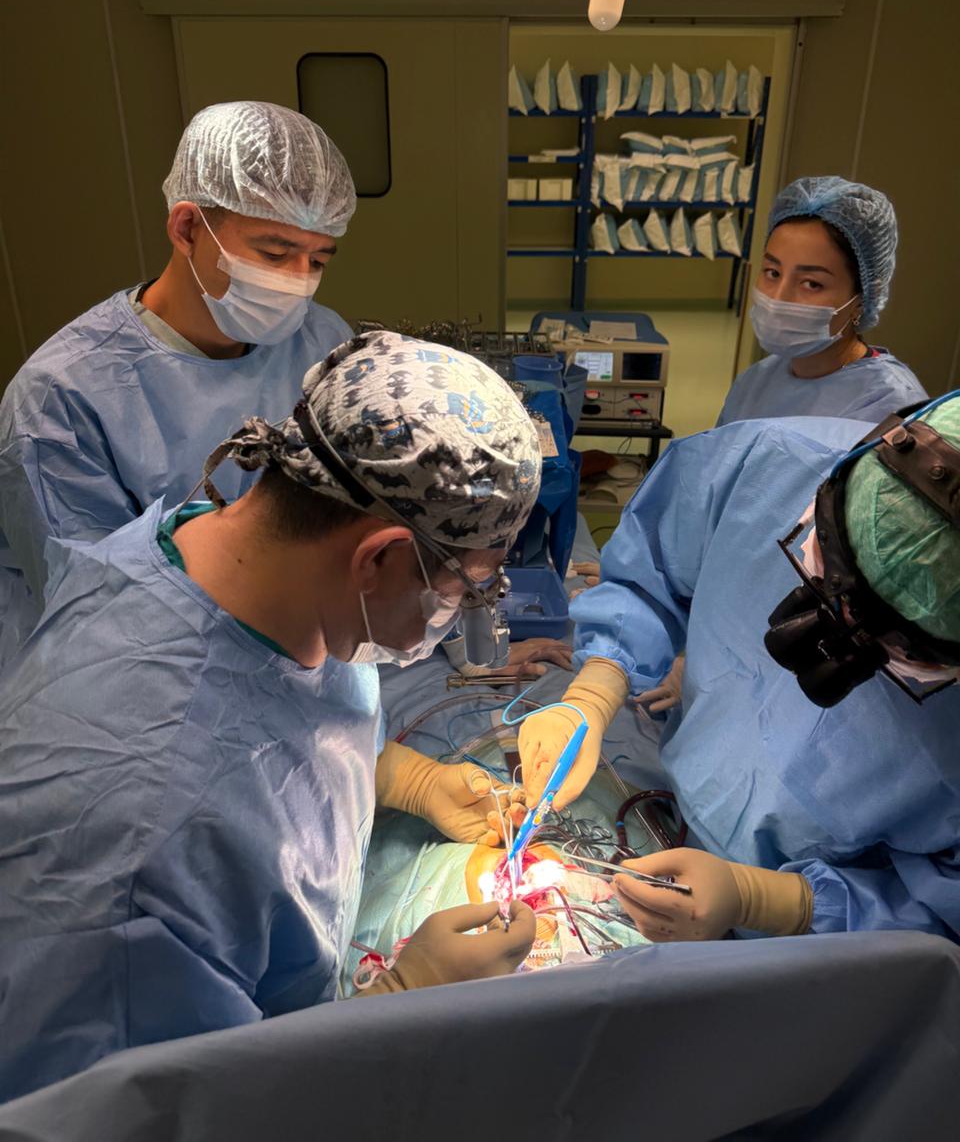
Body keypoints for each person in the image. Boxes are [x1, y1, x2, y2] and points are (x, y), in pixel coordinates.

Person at [0, 331, 542, 1104]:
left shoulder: (223, 551)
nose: (456, 615)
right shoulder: (145, 851)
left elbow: (275, 719)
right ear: (378, 557)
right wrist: (396, 1005)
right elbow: (150, 1113)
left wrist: (408, 780)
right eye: (466, 590)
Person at [516, 395, 960, 943]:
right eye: (825, 583)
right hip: (673, 807)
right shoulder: (769, 464)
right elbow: (651, 574)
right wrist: (595, 690)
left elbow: (946, 913)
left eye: (899, 647)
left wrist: (779, 902)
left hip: (815, 942)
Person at [0, 101, 357, 669]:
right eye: (274, 252)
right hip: (140, 676)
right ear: (187, 228)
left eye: (318, 261)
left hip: (301, 641)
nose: (298, 282)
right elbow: (98, 616)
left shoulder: (321, 340)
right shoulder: (60, 401)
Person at [717, 176, 927, 427]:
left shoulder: (890, 408)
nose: (778, 298)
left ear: (862, 298)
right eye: (773, 273)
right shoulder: (754, 383)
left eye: (811, 284)